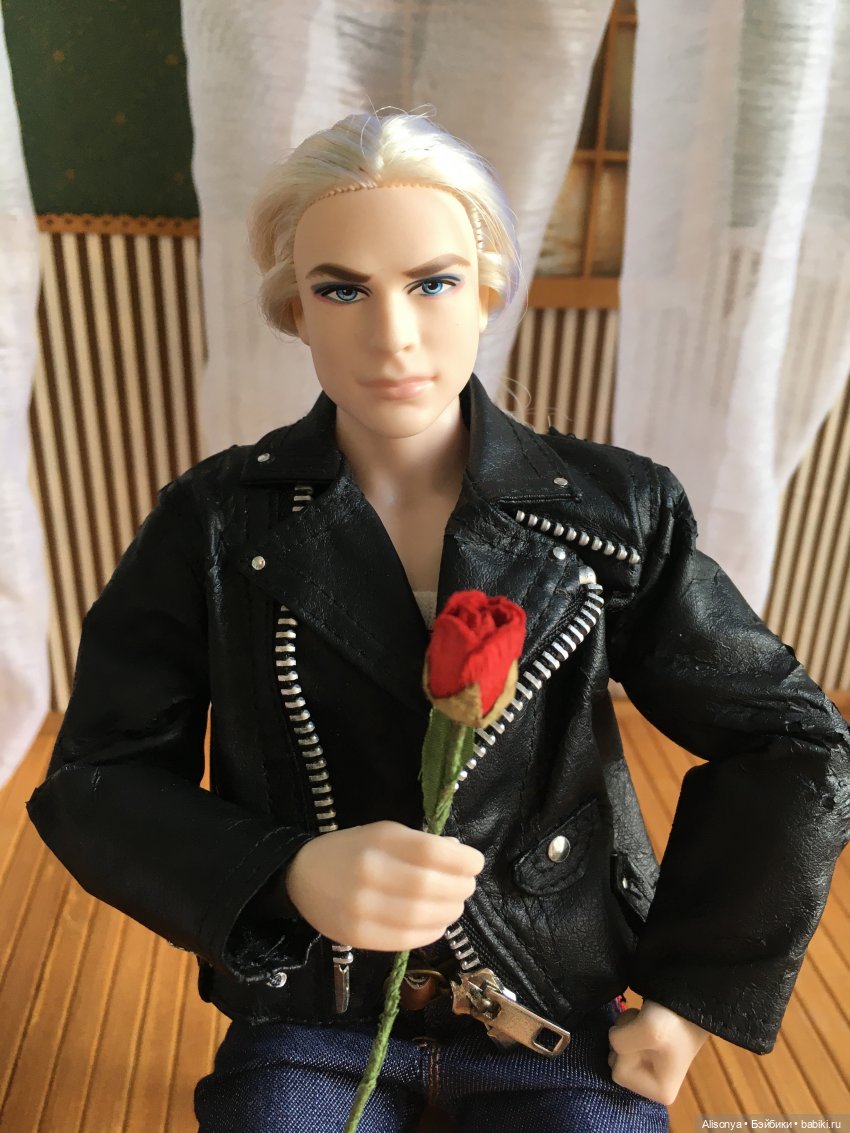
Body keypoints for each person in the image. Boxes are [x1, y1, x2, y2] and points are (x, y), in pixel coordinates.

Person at [26, 110, 850, 1133]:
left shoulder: (612, 513)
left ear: (489, 288)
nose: (392, 335)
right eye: (341, 289)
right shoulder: (217, 522)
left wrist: (688, 994)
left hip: (552, 1004)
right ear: (294, 308)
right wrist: (283, 870)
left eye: (433, 282)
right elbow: (95, 778)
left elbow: (791, 737)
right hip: (313, 1011)